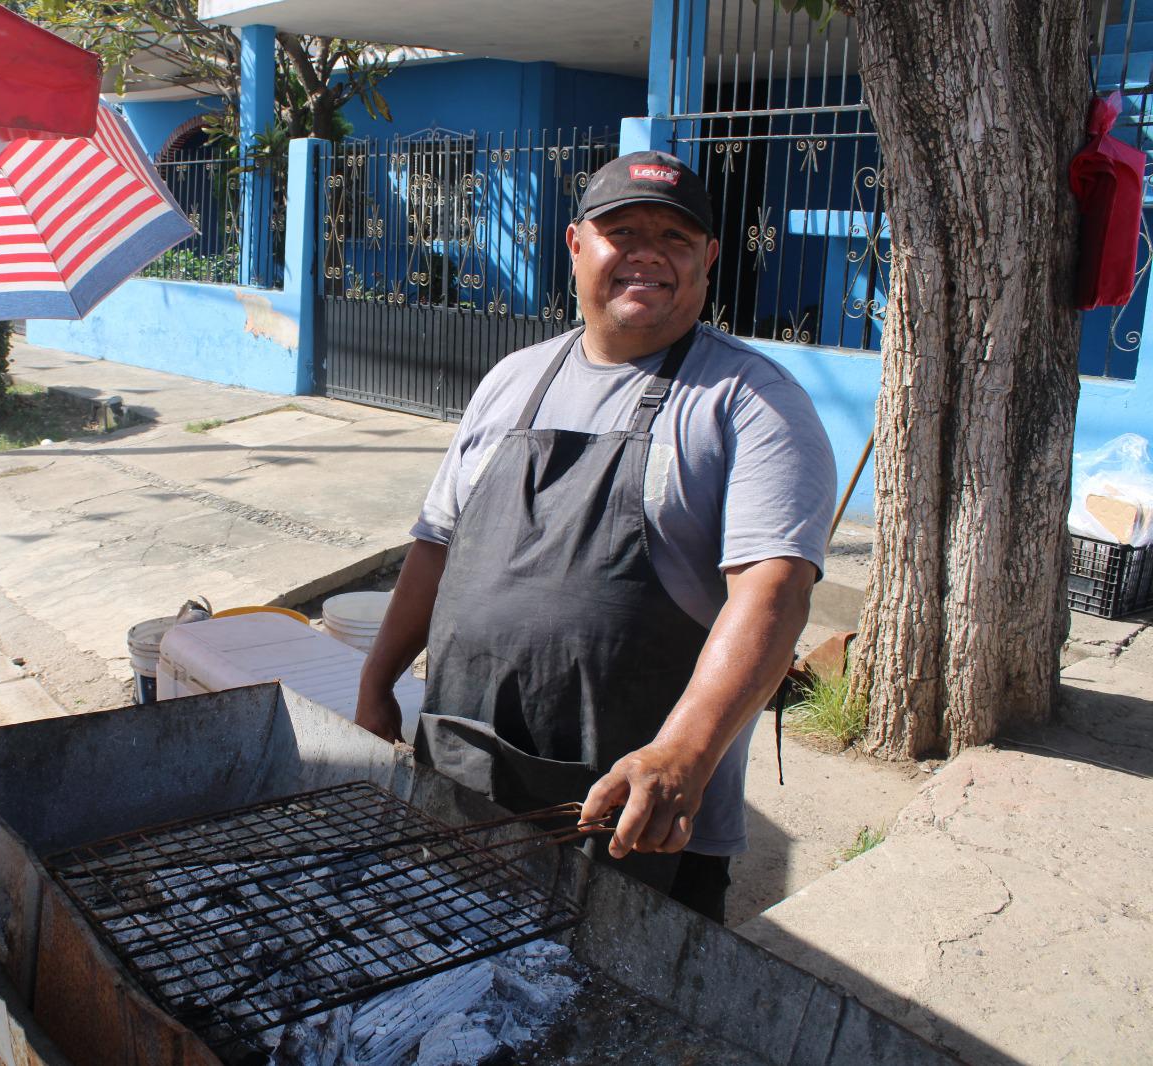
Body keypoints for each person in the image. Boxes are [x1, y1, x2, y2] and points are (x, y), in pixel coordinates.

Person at [353, 150, 836, 923]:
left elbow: (774, 592)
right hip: (460, 776)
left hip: (631, 819)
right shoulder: (512, 380)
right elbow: (436, 545)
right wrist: (378, 680)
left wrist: (682, 754)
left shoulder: (751, 403)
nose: (647, 253)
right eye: (622, 232)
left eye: (675, 239)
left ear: (709, 259)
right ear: (577, 246)